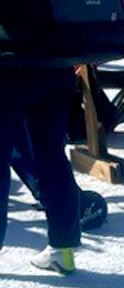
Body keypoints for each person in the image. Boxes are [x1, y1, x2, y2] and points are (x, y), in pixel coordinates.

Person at [1, 66, 83, 274]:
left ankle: (62, 248)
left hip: (8, 67)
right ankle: (63, 249)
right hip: (56, 65)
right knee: (51, 155)